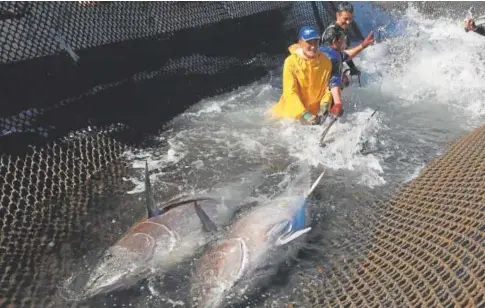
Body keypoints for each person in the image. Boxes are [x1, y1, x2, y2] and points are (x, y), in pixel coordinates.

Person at [271, 26, 338, 125]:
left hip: (314, 114)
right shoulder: (290, 62)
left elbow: (327, 89)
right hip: (290, 116)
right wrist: (304, 114)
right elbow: (290, 92)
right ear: (300, 43)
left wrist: (325, 105)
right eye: (309, 43)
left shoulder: (325, 62)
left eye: (316, 42)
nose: (313, 47)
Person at [319, 26, 375, 118]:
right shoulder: (334, 58)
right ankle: (327, 113)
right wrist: (338, 103)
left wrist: (363, 45)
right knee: (344, 81)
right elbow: (334, 82)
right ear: (335, 42)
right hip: (323, 96)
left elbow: (346, 55)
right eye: (342, 39)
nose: (344, 42)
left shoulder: (321, 50)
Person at [321, 2, 374, 78]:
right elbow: (327, 56)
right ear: (337, 15)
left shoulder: (342, 30)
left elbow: (342, 51)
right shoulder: (331, 33)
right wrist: (363, 45)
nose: (348, 22)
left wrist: (352, 67)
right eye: (345, 19)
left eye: (350, 19)